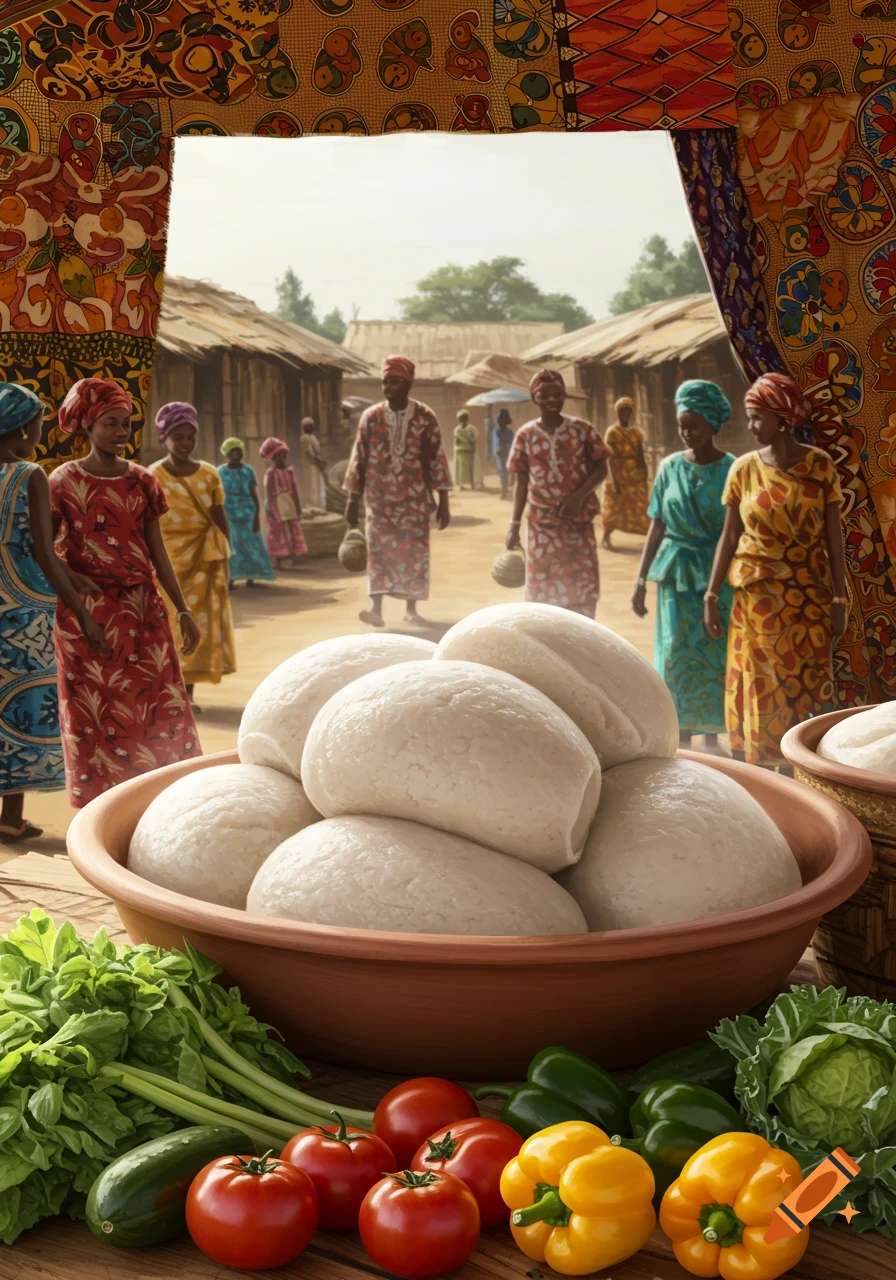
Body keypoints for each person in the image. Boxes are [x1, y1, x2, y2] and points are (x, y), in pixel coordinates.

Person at [50, 378, 200, 808]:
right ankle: (98, 810)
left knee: (158, 706)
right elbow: (40, 549)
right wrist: (76, 588)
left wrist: (183, 609)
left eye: (126, 425)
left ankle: (159, 803)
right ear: (86, 426)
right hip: (86, 616)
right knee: (92, 712)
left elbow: (157, 551)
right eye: (111, 424)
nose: (121, 433)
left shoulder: (142, 481)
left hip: (142, 610)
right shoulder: (62, 482)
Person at [704, 371, 849, 769]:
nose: (750, 426)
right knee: (760, 683)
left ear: (782, 418)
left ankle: (805, 767)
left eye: (756, 417)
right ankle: (762, 767)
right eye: (748, 417)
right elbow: (729, 537)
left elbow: (833, 540)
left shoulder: (819, 466)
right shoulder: (744, 470)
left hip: (809, 597)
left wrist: (839, 597)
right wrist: (712, 594)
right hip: (756, 599)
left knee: (805, 681)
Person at [0, 384, 107, 839]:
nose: (40, 434)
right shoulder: (29, 476)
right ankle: (8, 817)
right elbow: (44, 553)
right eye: (39, 426)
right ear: (24, 428)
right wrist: (83, 613)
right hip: (24, 610)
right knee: (19, 705)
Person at [631, 380, 735, 754]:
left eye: (693, 426)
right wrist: (640, 579)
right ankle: (683, 736)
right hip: (675, 571)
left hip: (717, 572)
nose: (686, 433)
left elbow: (734, 528)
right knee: (675, 654)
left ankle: (712, 737)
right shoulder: (668, 468)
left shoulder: (732, 469)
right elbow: (656, 524)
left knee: (715, 650)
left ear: (712, 424)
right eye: (681, 426)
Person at [345, 355, 451, 629]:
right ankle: (375, 606)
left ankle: (411, 609)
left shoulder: (425, 417)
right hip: (378, 500)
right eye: (385, 382)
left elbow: (436, 458)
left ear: (407, 384)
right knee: (378, 551)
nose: (388, 387)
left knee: (413, 552)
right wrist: (351, 499)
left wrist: (444, 501)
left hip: (414, 499)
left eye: (394, 382)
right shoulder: (371, 417)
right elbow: (359, 458)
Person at [150, 402, 235, 711]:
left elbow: (219, 517)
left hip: (204, 561)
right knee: (167, 623)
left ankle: (187, 693)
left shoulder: (210, 474)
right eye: (178, 437)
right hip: (167, 560)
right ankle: (168, 689)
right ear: (163, 438)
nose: (185, 443)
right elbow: (147, 523)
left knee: (198, 624)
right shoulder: (152, 477)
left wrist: (227, 556)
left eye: (190, 437)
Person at [506, 369, 610, 618]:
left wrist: (578, 497)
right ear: (535, 398)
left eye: (557, 394)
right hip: (541, 525)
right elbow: (521, 484)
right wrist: (514, 524)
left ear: (564, 396)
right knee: (542, 590)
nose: (552, 400)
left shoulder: (582, 430)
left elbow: (601, 468)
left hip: (577, 524)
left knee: (581, 585)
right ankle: (549, 637)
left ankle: (583, 637)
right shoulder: (525, 435)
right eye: (545, 395)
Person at [218, 437, 275, 589]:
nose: (236, 454)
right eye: (232, 451)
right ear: (226, 454)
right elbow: (216, 496)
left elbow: (254, 494)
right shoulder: (220, 472)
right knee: (232, 547)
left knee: (251, 546)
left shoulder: (248, 471)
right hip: (228, 515)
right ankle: (230, 579)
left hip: (247, 513)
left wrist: (256, 517)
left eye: (239, 451)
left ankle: (251, 577)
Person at [601, 396, 650, 550]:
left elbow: (640, 454)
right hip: (618, 472)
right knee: (614, 505)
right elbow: (608, 458)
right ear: (617, 413)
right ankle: (606, 536)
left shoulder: (637, 432)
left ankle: (649, 541)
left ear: (632, 413)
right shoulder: (612, 432)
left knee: (641, 504)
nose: (625, 414)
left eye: (628, 411)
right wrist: (614, 481)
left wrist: (645, 472)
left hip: (634, 474)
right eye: (622, 411)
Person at [260, 437, 306, 570]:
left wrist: (297, 506)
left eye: (284, 455)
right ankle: (279, 557)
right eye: (280, 456)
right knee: (278, 530)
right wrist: (269, 508)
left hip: (289, 503)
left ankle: (290, 555)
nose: (283, 458)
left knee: (291, 528)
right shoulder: (270, 474)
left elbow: (294, 489)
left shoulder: (290, 472)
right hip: (276, 505)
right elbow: (268, 493)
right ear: (273, 458)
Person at [298, 417, 327, 510]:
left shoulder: (313, 437)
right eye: (310, 426)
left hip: (316, 466)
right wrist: (320, 462)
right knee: (313, 486)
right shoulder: (304, 438)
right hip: (310, 466)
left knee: (319, 485)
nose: (313, 427)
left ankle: (319, 506)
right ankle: (313, 506)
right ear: (305, 427)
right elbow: (309, 454)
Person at [453, 410, 478, 490]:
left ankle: (472, 484)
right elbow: (456, 441)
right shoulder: (457, 429)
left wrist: (473, 447)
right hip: (460, 451)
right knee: (461, 469)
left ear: (467, 419)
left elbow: (474, 439)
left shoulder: (472, 428)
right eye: (461, 419)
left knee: (471, 468)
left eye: (464, 418)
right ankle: (461, 485)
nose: (463, 420)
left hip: (469, 451)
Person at [494, 408, 514, 500]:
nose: (499, 424)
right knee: (502, 473)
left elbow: (511, 444)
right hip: (499, 454)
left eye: (501, 422)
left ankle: (505, 490)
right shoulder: (497, 431)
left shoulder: (509, 432)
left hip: (507, 453)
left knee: (507, 472)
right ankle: (504, 490)